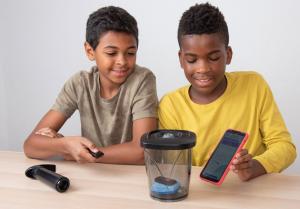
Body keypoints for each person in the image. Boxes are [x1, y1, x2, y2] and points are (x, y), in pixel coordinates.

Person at [158, 3, 296, 181]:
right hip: (203, 193)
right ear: (181, 59)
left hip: (253, 189)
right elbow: (171, 166)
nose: (203, 68)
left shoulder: (254, 85)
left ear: (228, 55)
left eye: (214, 58)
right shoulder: (171, 105)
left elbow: (285, 146)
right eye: (192, 60)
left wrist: (255, 166)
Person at [23, 6, 158, 164]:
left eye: (130, 53)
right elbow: (30, 145)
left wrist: (80, 153)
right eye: (111, 53)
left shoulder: (142, 80)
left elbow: (142, 151)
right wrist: (65, 145)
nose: (122, 61)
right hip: (92, 174)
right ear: (90, 51)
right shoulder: (80, 84)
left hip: (130, 176)